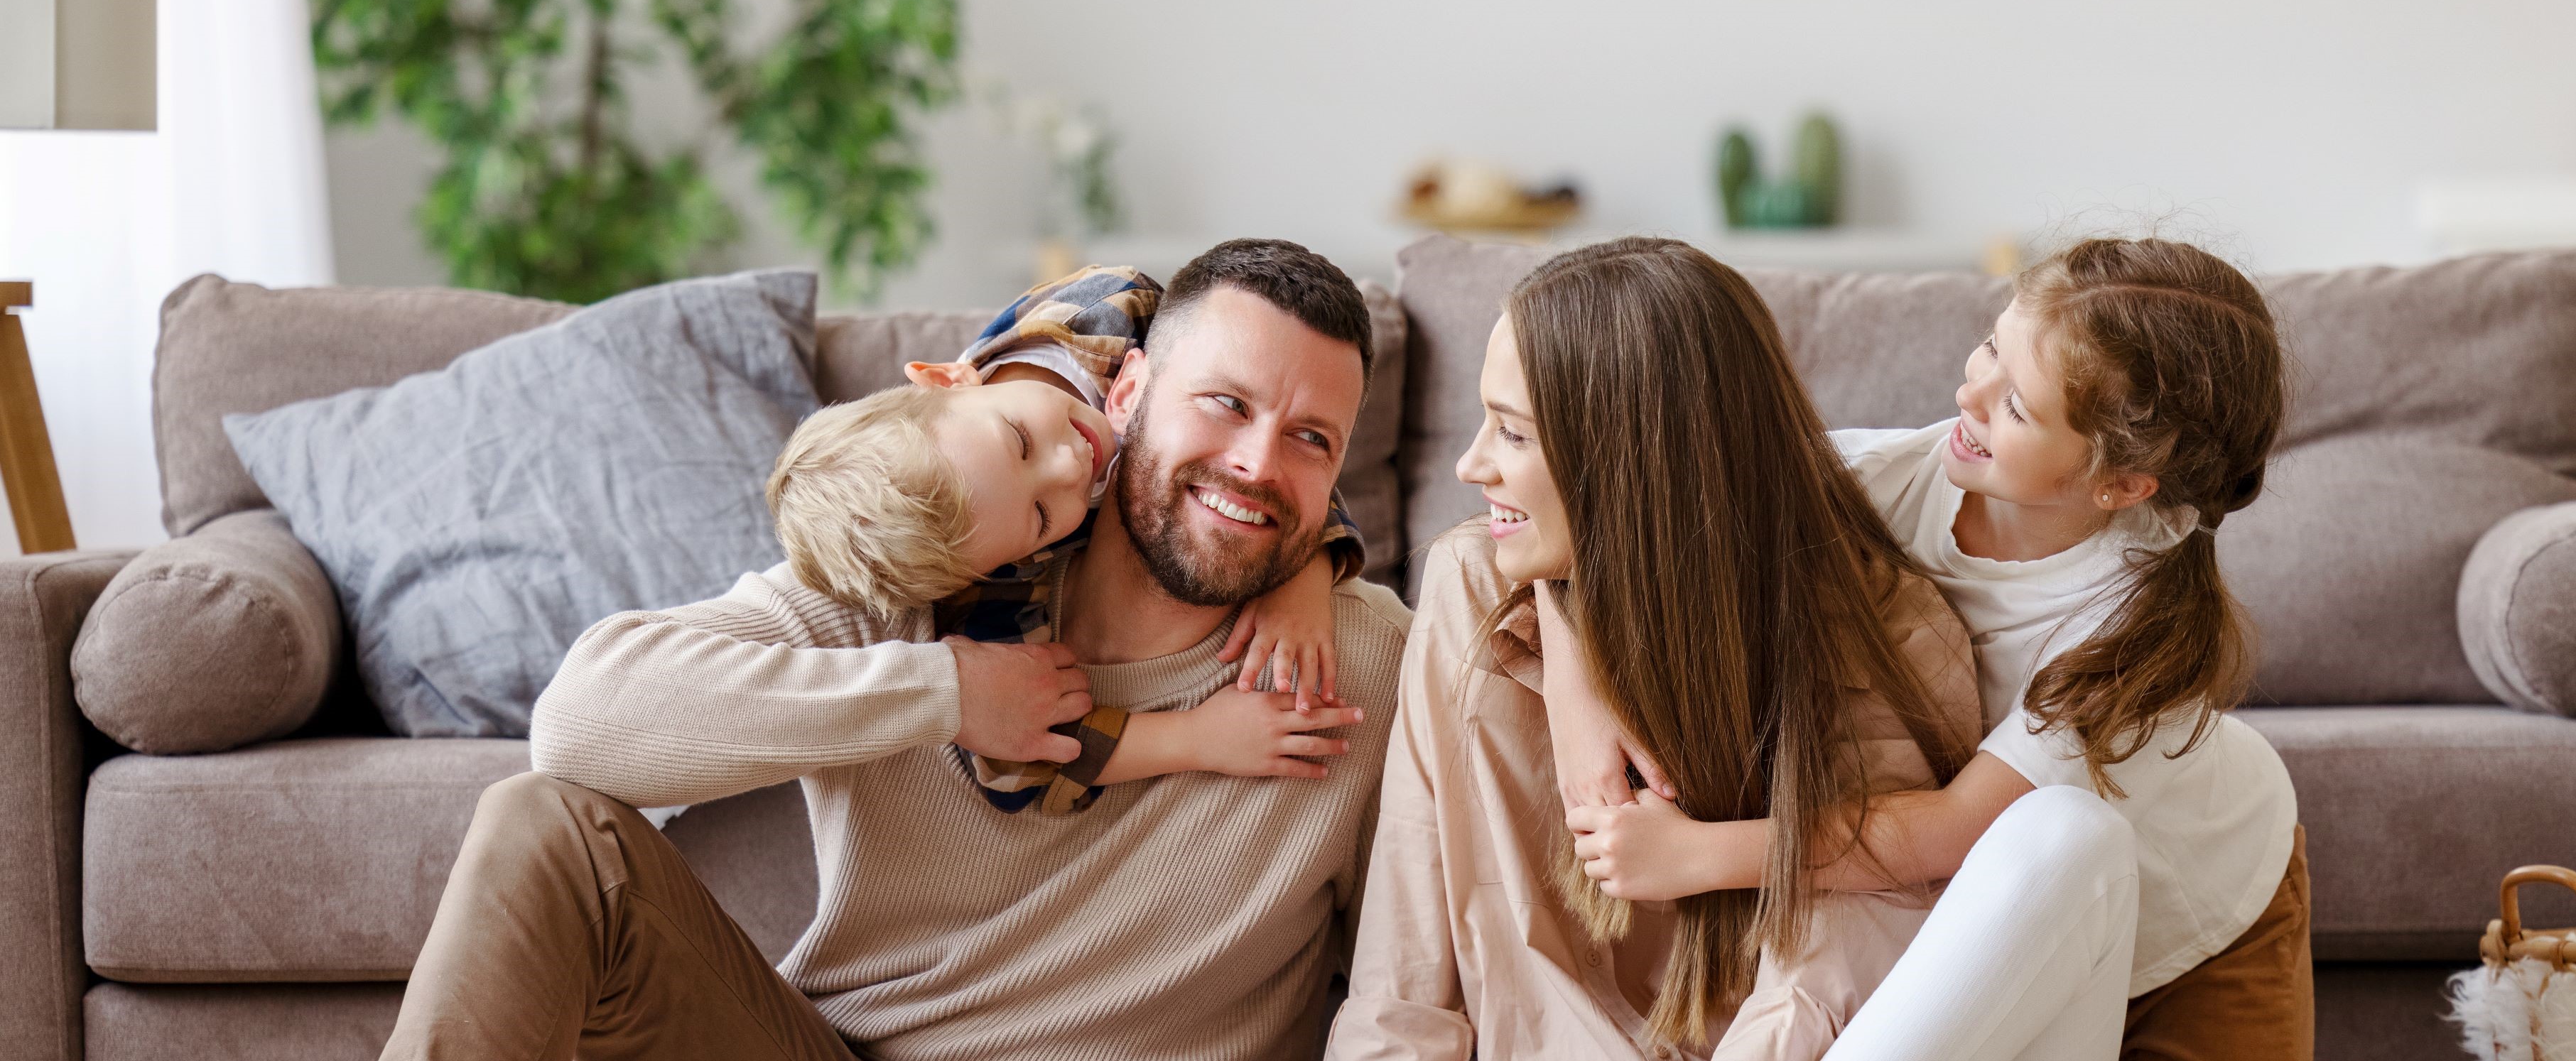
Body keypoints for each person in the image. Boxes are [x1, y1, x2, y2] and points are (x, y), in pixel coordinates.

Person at [379, 239, 1410, 1061]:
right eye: (1225, 403)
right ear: (1128, 394)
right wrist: (940, 691)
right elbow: (579, 729)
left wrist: (1317, 571)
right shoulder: (930, 573)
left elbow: (1432, 982)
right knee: (545, 829)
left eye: (1311, 439)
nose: (1254, 461)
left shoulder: (1366, 665)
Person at [1557, 236, 2312, 1060]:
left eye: (2018, 407)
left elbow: (1954, 827)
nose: (1969, 391)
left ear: (2121, 485)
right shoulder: (1877, 481)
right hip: (1984, 916)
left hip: (2197, 912)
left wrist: (1699, 856)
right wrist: (1579, 694)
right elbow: (1579, 529)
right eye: (1991, 346)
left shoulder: (2129, 628)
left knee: (2064, 832)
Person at [1327, 237, 1984, 1061]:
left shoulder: (1894, 634)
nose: (1469, 464)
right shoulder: (1474, 586)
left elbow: (1851, 964)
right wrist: (1568, 645)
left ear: (1635, 462)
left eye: (1514, 435)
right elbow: (1404, 959)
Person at [766, 263, 1364, 815]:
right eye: (1041, 514)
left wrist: (1305, 575)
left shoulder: (1110, 309)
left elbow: (1274, 405)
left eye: (1020, 440)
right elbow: (1018, 765)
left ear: (950, 381)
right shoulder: (996, 571)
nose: (1073, 465)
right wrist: (1197, 739)